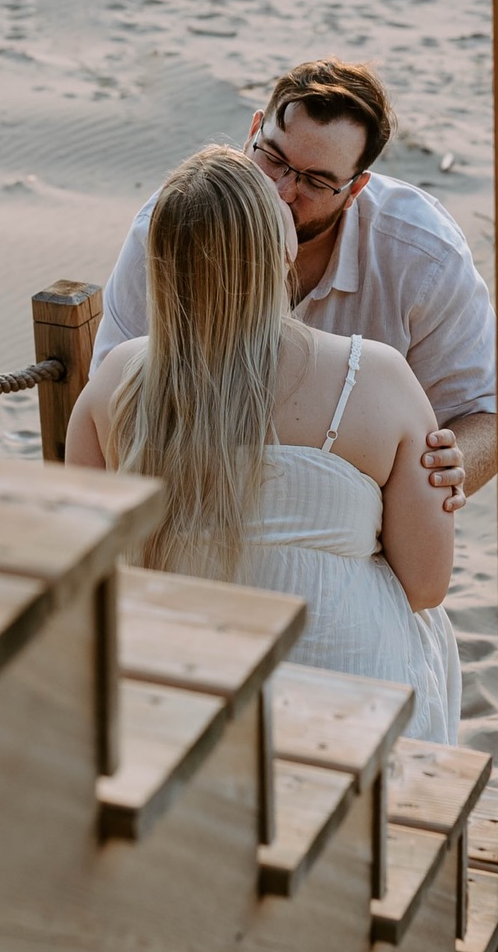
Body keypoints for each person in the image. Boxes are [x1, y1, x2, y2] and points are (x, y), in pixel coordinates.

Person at [66, 145, 461, 744]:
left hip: (179, 708)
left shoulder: (112, 388)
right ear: (281, 254)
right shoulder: (375, 380)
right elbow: (427, 584)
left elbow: (89, 569)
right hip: (343, 715)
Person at [92, 59, 496, 512]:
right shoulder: (173, 225)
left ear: (356, 188)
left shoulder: (424, 258)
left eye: (316, 181)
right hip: (191, 503)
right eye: (273, 159)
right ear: (253, 130)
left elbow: (486, 413)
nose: (282, 191)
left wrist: (441, 476)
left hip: (365, 523)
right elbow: (115, 393)